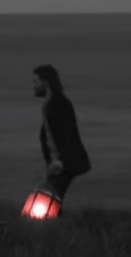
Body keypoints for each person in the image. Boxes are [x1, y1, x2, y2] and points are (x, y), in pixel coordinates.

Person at [32, 64, 91, 213]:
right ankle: (57, 228)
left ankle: (53, 230)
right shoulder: (49, 105)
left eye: (36, 82)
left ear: (45, 83)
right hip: (57, 165)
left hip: (66, 164)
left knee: (47, 201)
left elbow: (69, 134)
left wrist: (61, 161)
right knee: (50, 202)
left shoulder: (60, 104)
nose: (34, 86)